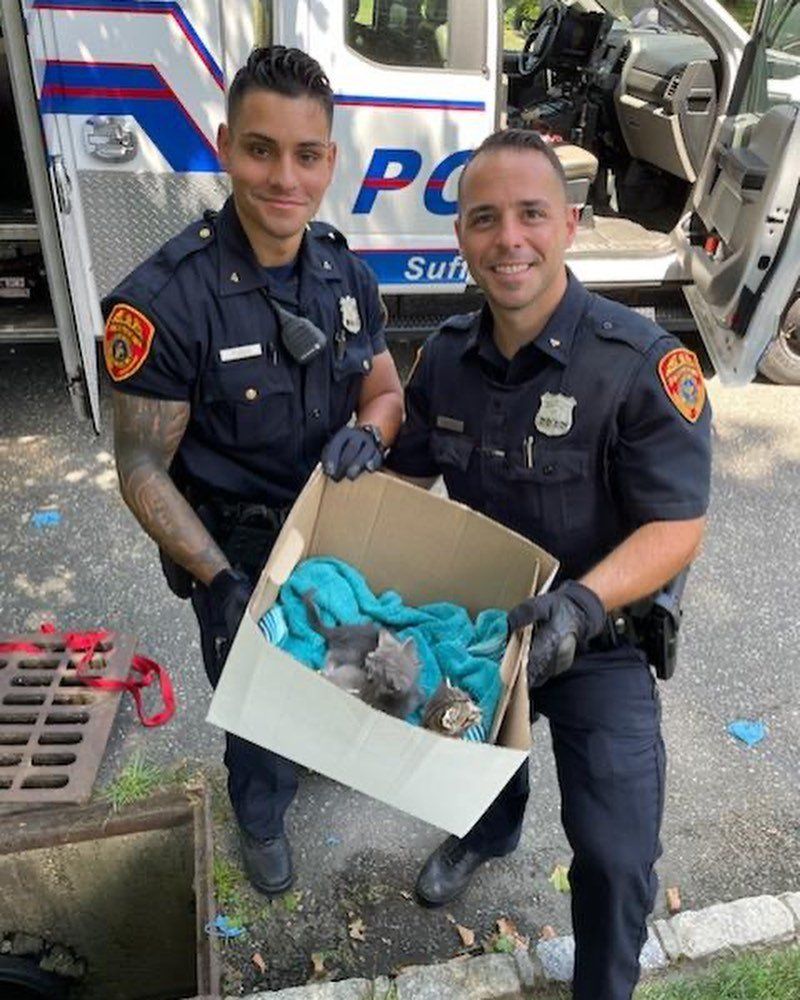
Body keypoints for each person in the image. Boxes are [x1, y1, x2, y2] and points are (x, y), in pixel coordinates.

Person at [386, 128, 711, 1000]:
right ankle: (489, 834)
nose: (509, 239)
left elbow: (678, 526)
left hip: (597, 637)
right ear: (461, 236)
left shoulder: (642, 366)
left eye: (531, 214)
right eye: (484, 219)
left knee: (614, 855)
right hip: (489, 631)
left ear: (569, 224)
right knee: (477, 765)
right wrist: (363, 449)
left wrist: (581, 604)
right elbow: (405, 476)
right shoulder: (446, 358)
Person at [103, 46, 404, 897]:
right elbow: (139, 466)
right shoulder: (164, 299)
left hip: (331, 528)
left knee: (350, 655)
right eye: (261, 149)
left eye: (307, 155)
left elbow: (384, 389)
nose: (284, 177)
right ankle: (261, 809)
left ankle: (317, 745)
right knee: (255, 700)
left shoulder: (344, 271)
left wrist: (373, 434)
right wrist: (222, 579)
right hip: (228, 545)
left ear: (330, 161)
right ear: (227, 144)